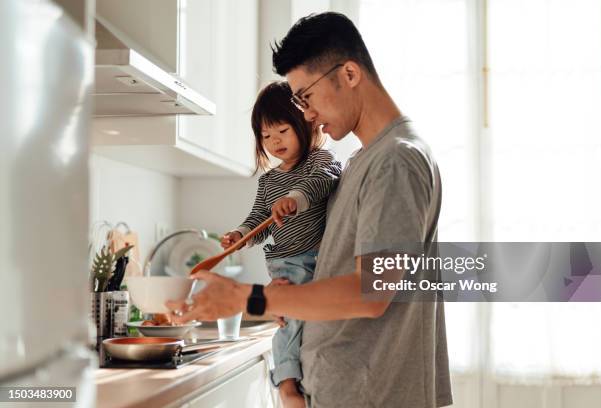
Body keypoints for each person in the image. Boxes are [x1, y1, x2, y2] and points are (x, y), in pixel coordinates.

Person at [169, 12, 453, 408]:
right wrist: (287, 299)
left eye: (306, 96)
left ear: (350, 74)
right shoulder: (362, 161)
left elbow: (370, 292)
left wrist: (249, 298)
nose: (305, 113)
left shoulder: (395, 160)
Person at [220, 80, 342, 407]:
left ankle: (289, 385)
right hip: (284, 263)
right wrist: (239, 236)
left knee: (296, 323)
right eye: (265, 136)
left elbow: (324, 180)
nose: (274, 142)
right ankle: (288, 385)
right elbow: (258, 220)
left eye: (282, 131)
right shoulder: (268, 181)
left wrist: (295, 198)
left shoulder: (319, 160)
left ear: (304, 122)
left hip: (316, 259)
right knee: (288, 324)